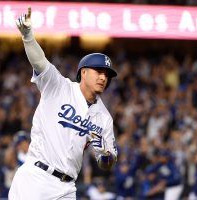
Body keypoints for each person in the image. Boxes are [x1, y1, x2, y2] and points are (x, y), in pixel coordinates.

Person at [9, 7, 118, 199]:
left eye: (107, 74)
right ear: (83, 72)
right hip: (36, 177)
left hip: (67, 188)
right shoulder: (59, 87)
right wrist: (27, 36)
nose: (103, 77)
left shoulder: (105, 118)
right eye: (98, 71)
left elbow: (106, 163)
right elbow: (40, 62)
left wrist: (105, 154)